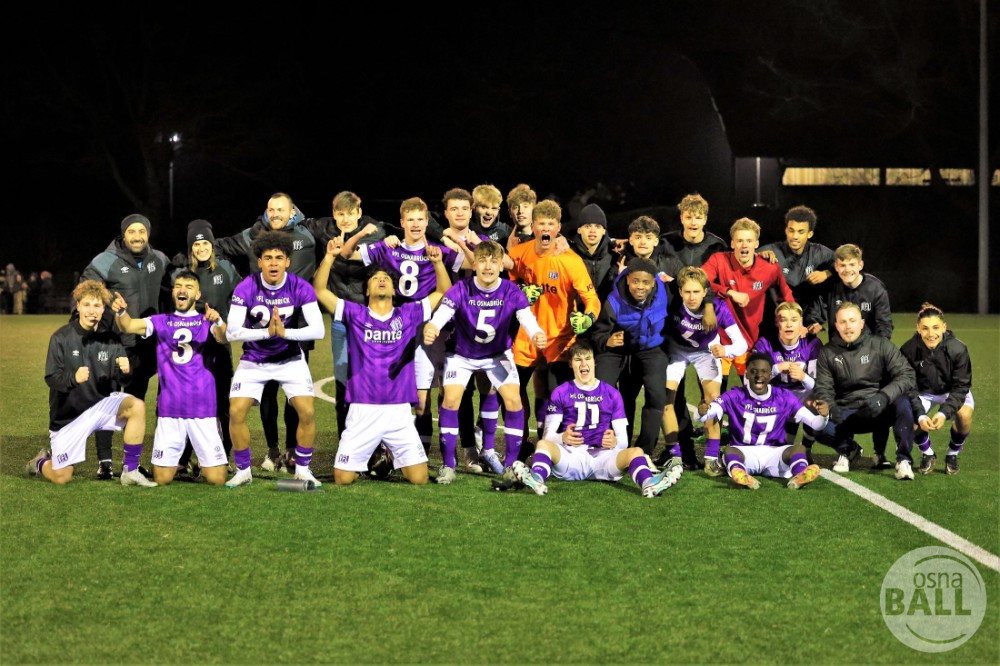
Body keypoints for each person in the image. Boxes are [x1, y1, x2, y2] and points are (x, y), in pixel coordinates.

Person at [312, 238, 451, 486]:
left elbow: (442, 292)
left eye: (386, 278)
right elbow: (320, 290)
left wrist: (438, 263)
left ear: (394, 291)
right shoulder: (354, 313)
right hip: (363, 408)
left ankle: (386, 454)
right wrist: (329, 257)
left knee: (419, 479)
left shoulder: (408, 314)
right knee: (343, 479)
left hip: (398, 411)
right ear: (367, 290)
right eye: (375, 278)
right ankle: (374, 454)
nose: (381, 280)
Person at [341, 197, 466, 455]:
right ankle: (387, 449)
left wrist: (458, 242)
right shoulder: (389, 248)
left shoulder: (435, 250)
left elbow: (472, 264)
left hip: (426, 326)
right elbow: (346, 254)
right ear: (402, 223)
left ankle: (425, 452)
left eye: (420, 219)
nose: (416, 224)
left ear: (427, 222)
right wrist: (363, 234)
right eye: (410, 220)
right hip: (395, 327)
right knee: (396, 392)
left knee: (425, 400)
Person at [215, 192, 324, 473]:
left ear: (292, 211)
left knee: (300, 405)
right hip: (257, 352)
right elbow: (221, 246)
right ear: (259, 260)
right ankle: (267, 454)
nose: (276, 214)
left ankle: (295, 457)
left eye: (282, 209)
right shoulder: (252, 240)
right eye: (272, 209)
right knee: (260, 400)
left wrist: (285, 333)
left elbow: (340, 232)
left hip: (294, 339)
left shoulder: (308, 233)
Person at [424, 240, 546, 480]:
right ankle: (448, 465)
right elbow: (444, 312)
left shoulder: (511, 290)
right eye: (482, 261)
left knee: (513, 400)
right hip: (462, 355)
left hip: (496, 354)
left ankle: (510, 465)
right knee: (450, 400)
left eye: (493, 261)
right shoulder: (462, 288)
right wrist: (433, 326)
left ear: (501, 265)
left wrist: (537, 333)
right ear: (474, 264)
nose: (488, 266)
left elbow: (526, 317)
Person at [26, 280, 156, 487]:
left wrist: (125, 370)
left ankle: (130, 470)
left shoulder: (111, 339)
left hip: (100, 405)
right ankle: (41, 461)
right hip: (69, 417)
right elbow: (51, 378)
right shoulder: (61, 337)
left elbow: (124, 381)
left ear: (103, 309)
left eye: (97, 305)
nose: (91, 311)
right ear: (77, 306)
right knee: (62, 477)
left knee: (137, 406)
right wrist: (72, 379)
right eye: (86, 305)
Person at [511, 341, 676, 498]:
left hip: (603, 459)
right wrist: (562, 437)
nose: (583, 364)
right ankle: (537, 479)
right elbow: (548, 436)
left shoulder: (612, 394)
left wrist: (614, 442)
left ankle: (649, 483)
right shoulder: (561, 392)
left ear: (594, 361)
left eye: (587, 358)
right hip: (571, 458)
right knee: (542, 445)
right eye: (578, 360)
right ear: (571, 364)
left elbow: (623, 441)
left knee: (636, 451)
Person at [109, 272, 230, 485]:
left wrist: (218, 319)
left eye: (189, 286)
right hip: (170, 410)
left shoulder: (206, 320)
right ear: (173, 292)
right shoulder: (160, 321)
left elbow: (223, 336)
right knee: (162, 478)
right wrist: (121, 312)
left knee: (217, 479)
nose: (182, 290)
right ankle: (185, 462)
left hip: (203, 410)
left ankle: (203, 461)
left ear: (198, 293)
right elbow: (128, 326)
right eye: (179, 286)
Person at [507, 199, 601, 459]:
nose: (545, 228)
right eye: (541, 224)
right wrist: (519, 292)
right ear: (534, 226)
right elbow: (507, 284)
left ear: (558, 227)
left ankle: (550, 446)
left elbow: (592, 299)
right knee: (513, 391)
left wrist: (587, 318)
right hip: (526, 335)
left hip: (559, 338)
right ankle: (520, 442)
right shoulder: (519, 253)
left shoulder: (570, 261)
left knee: (555, 396)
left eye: (551, 224)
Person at [82, 213, 171, 479]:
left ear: (148, 234)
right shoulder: (105, 260)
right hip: (112, 343)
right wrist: (108, 301)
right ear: (124, 235)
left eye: (141, 231)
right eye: (132, 231)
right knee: (107, 401)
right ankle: (105, 462)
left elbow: (178, 287)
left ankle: (130, 463)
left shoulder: (161, 260)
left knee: (137, 403)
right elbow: (86, 289)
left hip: (144, 345)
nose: (137, 236)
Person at [812, 302, 917, 479]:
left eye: (852, 320)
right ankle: (847, 450)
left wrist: (883, 397)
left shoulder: (881, 344)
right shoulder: (827, 352)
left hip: (878, 409)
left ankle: (903, 460)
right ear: (836, 325)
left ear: (861, 323)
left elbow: (907, 375)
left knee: (904, 403)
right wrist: (832, 407)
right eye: (842, 322)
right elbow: (823, 387)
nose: (848, 326)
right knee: (815, 424)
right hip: (847, 413)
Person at [695, 352, 827, 490]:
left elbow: (815, 424)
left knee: (798, 449)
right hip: (744, 452)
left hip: (775, 453)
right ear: (746, 374)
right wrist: (702, 411)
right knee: (730, 451)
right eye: (754, 372)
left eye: (764, 372)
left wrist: (824, 416)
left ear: (771, 375)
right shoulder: (735, 395)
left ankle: (800, 474)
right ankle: (741, 474)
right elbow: (708, 413)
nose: (759, 376)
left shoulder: (784, 396)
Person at [171, 219, 241, 475]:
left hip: (219, 344)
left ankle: (221, 456)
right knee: (189, 400)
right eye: (196, 244)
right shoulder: (181, 273)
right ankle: (183, 458)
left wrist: (231, 321)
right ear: (191, 248)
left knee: (223, 403)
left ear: (212, 245)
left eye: (205, 243)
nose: (201, 248)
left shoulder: (225, 268)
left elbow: (242, 294)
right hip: (190, 347)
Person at [662, 267, 747, 475]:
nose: (692, 297)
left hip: (705, 353)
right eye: (687, 292)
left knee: (713, 400)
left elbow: (742, 344)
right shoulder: (672, 302)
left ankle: (710, 459)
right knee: (666, 398)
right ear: (680, 292)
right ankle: (674, 456)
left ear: (704, 292)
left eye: (696, 292)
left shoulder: (717, 308)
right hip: (677, 351)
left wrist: (725, 350)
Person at [320, 191, 386, 440]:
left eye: (350, 213)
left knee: (372, 380)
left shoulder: (374, 231)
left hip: (371, 319)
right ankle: (345, 440)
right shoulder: (325, 230)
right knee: (342, 383)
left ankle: (376, 444)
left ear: (359, 212)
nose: (345, 219)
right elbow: (302, 222)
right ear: (334, 214)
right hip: (341, 321)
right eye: (340, 214)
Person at [589, 257, 670, 456]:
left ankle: (644, 451)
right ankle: (614, 446)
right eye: (635, 281)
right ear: (627, 280)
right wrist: (607, 340)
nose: (639, 287)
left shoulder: (667, 292)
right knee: (607, 390)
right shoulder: (613, 300)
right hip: (620, 348)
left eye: (645, 282)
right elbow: (597, 333)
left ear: (654, 282)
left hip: (652, 349)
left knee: (657, 395)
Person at [702, 217, 794, 378]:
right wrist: (729, 291)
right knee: (714, 397)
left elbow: (786, 295)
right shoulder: (719, 260)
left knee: (753, 395)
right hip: (719, 340)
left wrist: (795, 320)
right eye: (740, 241)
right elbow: (700, 281)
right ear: (732, 244)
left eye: (749, 240)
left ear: (756, 244)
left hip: (750, 342)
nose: (744, 245)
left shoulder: (769, 268)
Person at [901, 304, 974, 475]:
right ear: (918, 328)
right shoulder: (908, 350)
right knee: (907, 418)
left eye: (935, 327)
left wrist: (943, 413)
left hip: (951, 391)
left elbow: (961, 386)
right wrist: (919, 414)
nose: (931, 334)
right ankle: (927, 453)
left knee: (964, 415)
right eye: (925, 328)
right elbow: (908, 386)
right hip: (922, 392)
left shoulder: (958, 349)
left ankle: (952, 454)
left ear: (944, 327)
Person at [751, 302, 824, 455]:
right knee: (777, 451)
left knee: (817, 400)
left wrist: (803, 377)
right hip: (777, 398)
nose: (789, 325)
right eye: (784, 320)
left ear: (801, 322)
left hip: (804, 396)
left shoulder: (812, 344)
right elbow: (752, 381)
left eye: (794, 319)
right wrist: (776, 369)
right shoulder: (765, 343)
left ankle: (806, 448)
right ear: (777, 322)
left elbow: (819, 386)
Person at [757, 205, 835, 339]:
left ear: (809, 234)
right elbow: (743, 258)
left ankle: (816, 322)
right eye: (791, 230)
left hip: (806, 321)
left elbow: (845, 263)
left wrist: (826, 273)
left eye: (800, 232)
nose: (794, 236)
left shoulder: (818, 252)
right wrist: (757, 257)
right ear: (786, 230)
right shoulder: (772, 251)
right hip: (774, 320)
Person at [806, 243, 893, 341]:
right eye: (842, 265)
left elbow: (884, 325)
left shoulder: (876, 288)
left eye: (852, 264)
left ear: (860, 265)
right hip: (838, 348)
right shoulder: (830, 287)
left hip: (868, 349)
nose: (847, 270)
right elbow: (816, 311)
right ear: (836, 267)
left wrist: (879, 350)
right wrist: (813, 323)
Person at [569, 203, 617, 303]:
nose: (592, 230)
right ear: (579, 230)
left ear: (604, 231)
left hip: (607, 316)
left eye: (597, 226)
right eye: (587, 226)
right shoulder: (568, 256)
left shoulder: (615, 256)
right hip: (576, 316)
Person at [506, 183, 537, 248]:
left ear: (534, 209)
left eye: (525, 206)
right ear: (510, 213)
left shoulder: (547, 235)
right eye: (515, 207)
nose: (520, 211)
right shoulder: (505, 238)